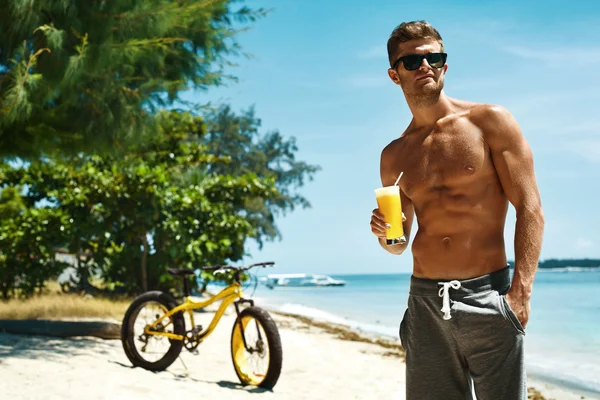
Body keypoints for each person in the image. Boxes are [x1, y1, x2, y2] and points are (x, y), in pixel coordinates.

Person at [369, 21, 545, 400]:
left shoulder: (489, 122)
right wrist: (386, 234)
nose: (425, 66)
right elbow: (399, 242)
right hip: (424, 303)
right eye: (412, 61)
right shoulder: (394, 155)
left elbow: (530, 207)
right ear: (394, 75)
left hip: (489, 296)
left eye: (435, 57)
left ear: (445, 66)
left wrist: (520, 295)